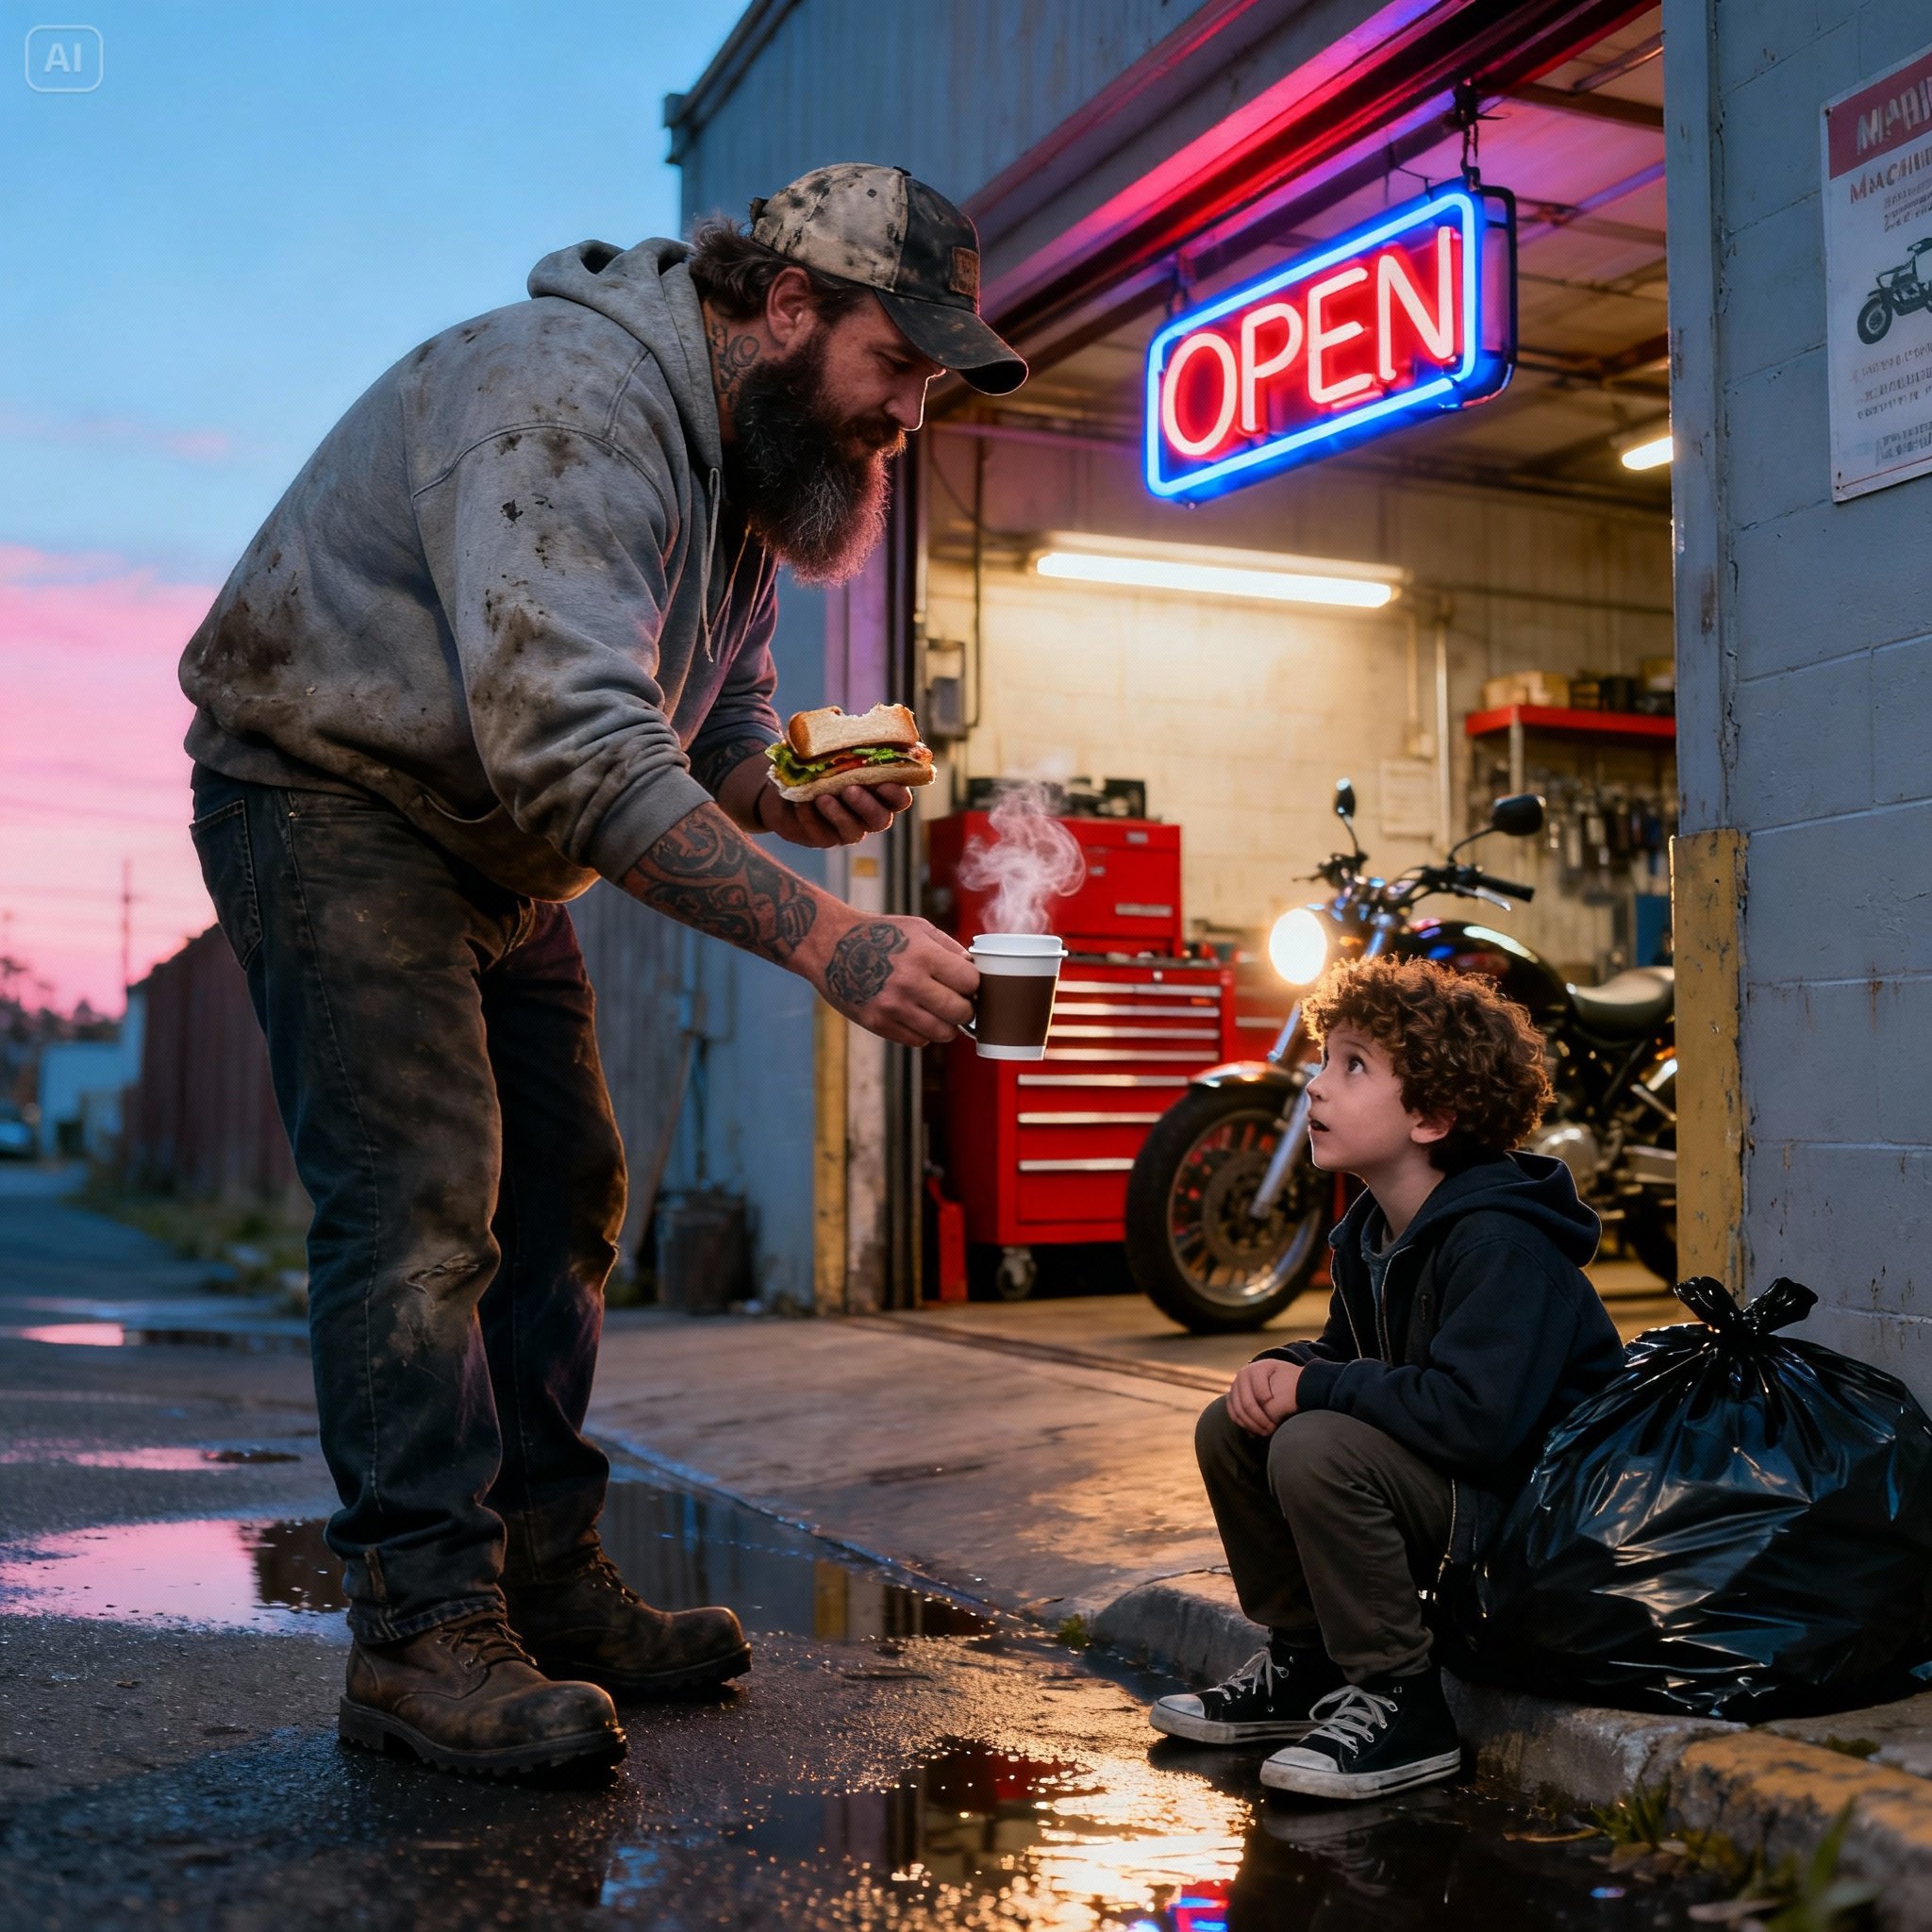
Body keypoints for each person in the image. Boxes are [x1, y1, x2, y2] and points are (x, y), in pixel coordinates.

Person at [177, 164, 1027, 1777]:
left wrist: (789, 791)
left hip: (488, 841)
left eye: (928, 378)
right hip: (331, 795)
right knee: (422, 1199)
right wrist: (829, 939)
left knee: (565, 1184)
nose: (909, 409)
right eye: (895, 364)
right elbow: (578, 750)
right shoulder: (568, 399)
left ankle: (546, 1576)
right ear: (787, 303)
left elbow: (705, 735)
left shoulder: (742, 478)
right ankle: (420, 1631)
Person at [1150, 956, 1624, 1799]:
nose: (1316, 1087)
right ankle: (1306, 1667)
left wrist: (1316, 1392)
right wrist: (1284, 1369)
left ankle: (1403, 1702)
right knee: (1236, 1422)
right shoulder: (1373, 1229)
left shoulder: (1501, 1246)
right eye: (1325, 1059)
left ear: (1434, 1116)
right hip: (1462, 1490)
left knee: (1316, 1445)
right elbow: (1350, 1357)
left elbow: (1473, 1420)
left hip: (1535, 1530)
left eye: (1353, 1066)